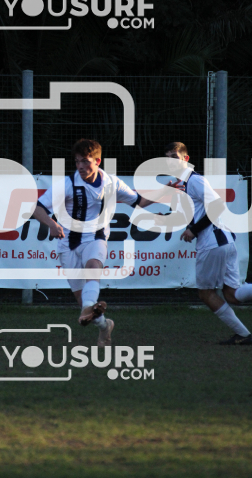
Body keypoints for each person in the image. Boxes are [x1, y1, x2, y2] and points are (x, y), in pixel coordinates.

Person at [32, 139, 166, 347]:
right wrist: (51, 224)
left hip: (96, 238)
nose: (80, 166)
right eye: (77, 162)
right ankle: (105, 325)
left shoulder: (112, 183)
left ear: (97, 161)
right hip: (68, 243)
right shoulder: (67, 184)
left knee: (93, 267)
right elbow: (37, 207)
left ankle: (89, 307)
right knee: (85, 308)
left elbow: (138, 201)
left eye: (85, 161)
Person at [164, 141, 252, 345]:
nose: (170, 162)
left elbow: (217, 206)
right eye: (167, 159)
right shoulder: (184, 183)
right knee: (232, 295)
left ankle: (243, 334)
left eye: (174, 157)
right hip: (224, 242)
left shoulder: (194, 180)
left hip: (213, 244)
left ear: (186, 159)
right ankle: (244, 335)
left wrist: (194, 229)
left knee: (205, 293)